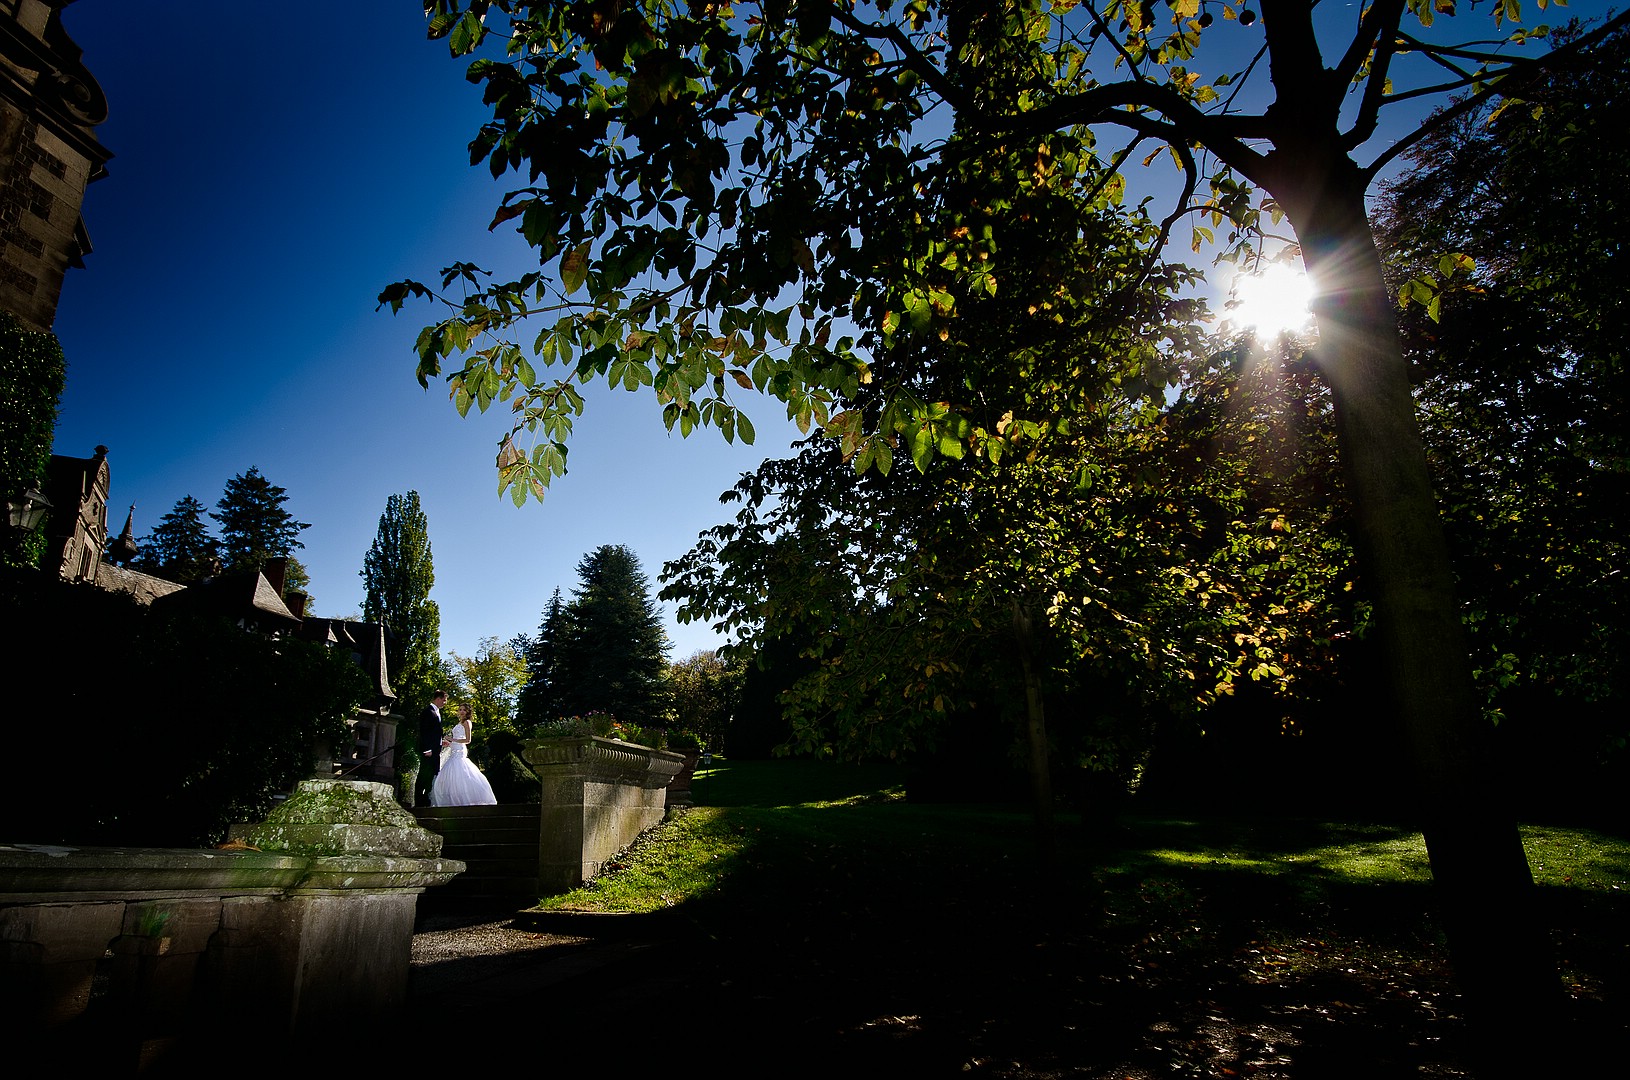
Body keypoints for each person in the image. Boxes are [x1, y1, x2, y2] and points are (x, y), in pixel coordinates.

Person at [430, 703, 498, 806]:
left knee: (461, 773)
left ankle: (466, 800)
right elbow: (457, 739)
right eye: (460, 709)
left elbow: (468, 740)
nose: (461, 711)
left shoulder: (467, 722)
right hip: (454, 750)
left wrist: (452, 739)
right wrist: (449, 743)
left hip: (460, 751)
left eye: (464, 710)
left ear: (468, 712)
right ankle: (453, 801)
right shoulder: (459, 722)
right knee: (448, 776)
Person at [414, 689, 450, 806]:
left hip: (435, 750)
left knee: (431, 775)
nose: (445, 703)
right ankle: (419, 800)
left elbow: (434, 733)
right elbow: (424, 732)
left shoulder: (437, 712)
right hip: (428, 751)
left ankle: (426, 799)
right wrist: (427, 749)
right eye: (444, 700)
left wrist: (441, 742)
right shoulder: (428, 712)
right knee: (424, 774)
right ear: (438, 699)